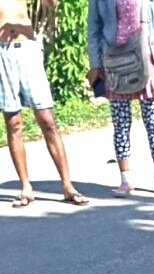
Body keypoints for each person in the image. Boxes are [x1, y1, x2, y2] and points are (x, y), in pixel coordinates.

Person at [0, 0, 89, 207]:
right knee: (13, 123)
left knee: (47, 120)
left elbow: (51, 3)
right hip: (2, 54)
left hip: (27, 50)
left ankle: (68, 185)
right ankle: (25, 187)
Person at [87, 0, 154, 197]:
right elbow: (94, 27)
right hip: (114, 61)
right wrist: (95, 64)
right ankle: (125, 179)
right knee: (120, 124)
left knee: (153, 122)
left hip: (148, 60)